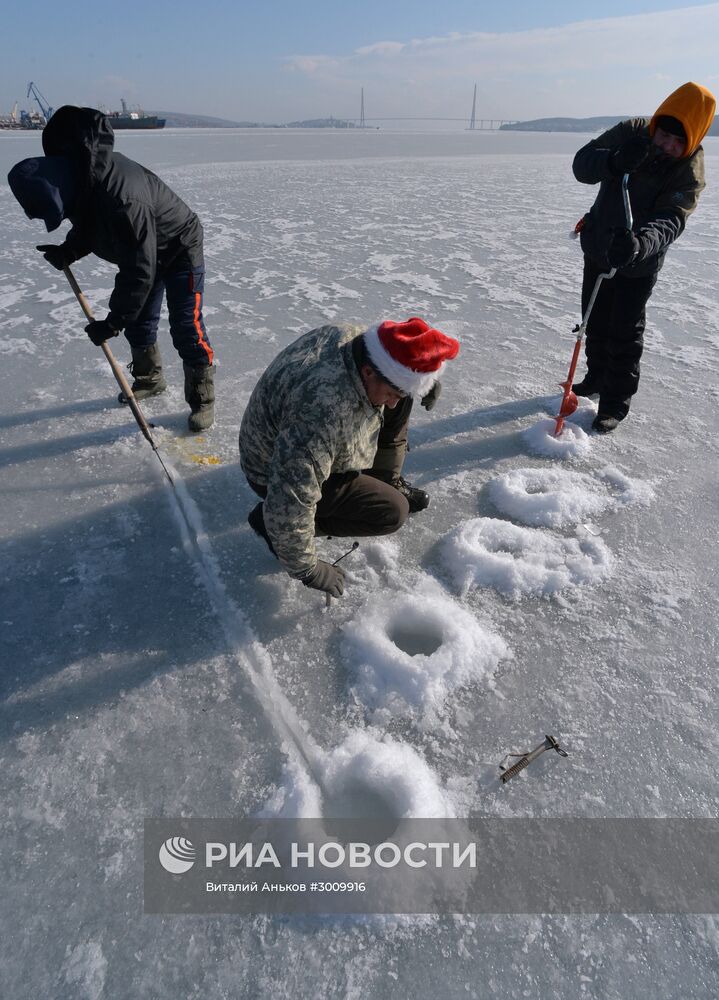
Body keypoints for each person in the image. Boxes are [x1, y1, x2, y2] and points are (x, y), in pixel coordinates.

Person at [7, 105, 215, 432]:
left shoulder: (121, 199)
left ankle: (202, 398)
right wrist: (68, 251)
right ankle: (150, 379)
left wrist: (112, 322)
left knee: (186, 324)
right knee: (141, 323)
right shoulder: (82, 179)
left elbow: (139, 269)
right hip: (143, 249)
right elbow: (92, 226)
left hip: (178, 246)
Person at [239, 317, 459, 597]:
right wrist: (309, 569)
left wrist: (424, 382)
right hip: (270, 471)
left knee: (399, 399)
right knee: (392, 512)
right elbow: (290, 499)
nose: (393, 401)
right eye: (392, 392)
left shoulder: (363, 344)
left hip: (298, 435)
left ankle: (384, 478)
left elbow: (406, 355)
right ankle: (268, 526)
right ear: (368, 372)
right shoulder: (322, 414)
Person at [571, 81, 715, 433]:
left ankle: (615, 403)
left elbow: (672, 218)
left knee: (625, 329)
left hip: (638, 261)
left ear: (692, 140)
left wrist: (639, 244)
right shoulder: (633, 132)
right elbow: (582, 165)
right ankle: (596, 377)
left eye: (677, 141)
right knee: (594, 318)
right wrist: (614, 160)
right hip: (599, 244)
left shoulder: (689, 169)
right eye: (663, 134)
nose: (665, 145)